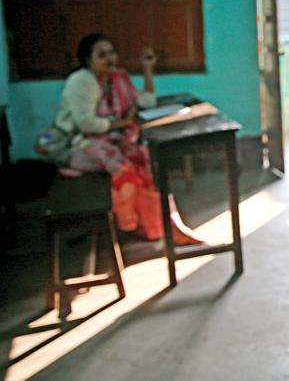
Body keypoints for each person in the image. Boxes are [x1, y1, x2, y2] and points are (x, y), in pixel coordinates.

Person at [54, 33, 203, 245]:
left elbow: (147, 102)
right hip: (80, 146)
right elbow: (86, 124)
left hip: (110, 141)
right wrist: (123, 123)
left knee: (144, 160)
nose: (110, 58)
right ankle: (130, 225)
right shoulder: (82, 80)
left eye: (112, 52)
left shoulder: (117, 78)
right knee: (126, 168)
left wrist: (147, 70)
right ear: (88, 60)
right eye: (102, 55)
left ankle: (163, 227)